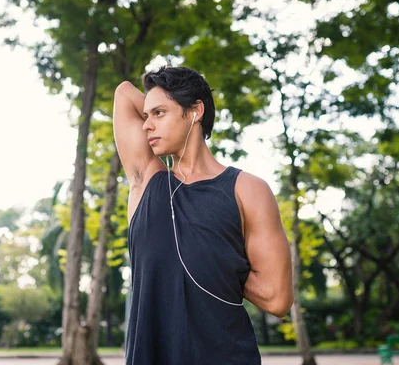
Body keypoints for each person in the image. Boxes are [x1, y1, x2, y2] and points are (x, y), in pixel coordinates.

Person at [113, 66, 293, 364]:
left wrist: (219, 260)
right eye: (146, 116)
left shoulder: (247, 190)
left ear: (195, 111)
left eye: (159, 113)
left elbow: (278, 298)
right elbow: (123, 93)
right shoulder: (147, 180)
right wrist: (160, 99)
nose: (146, 125)